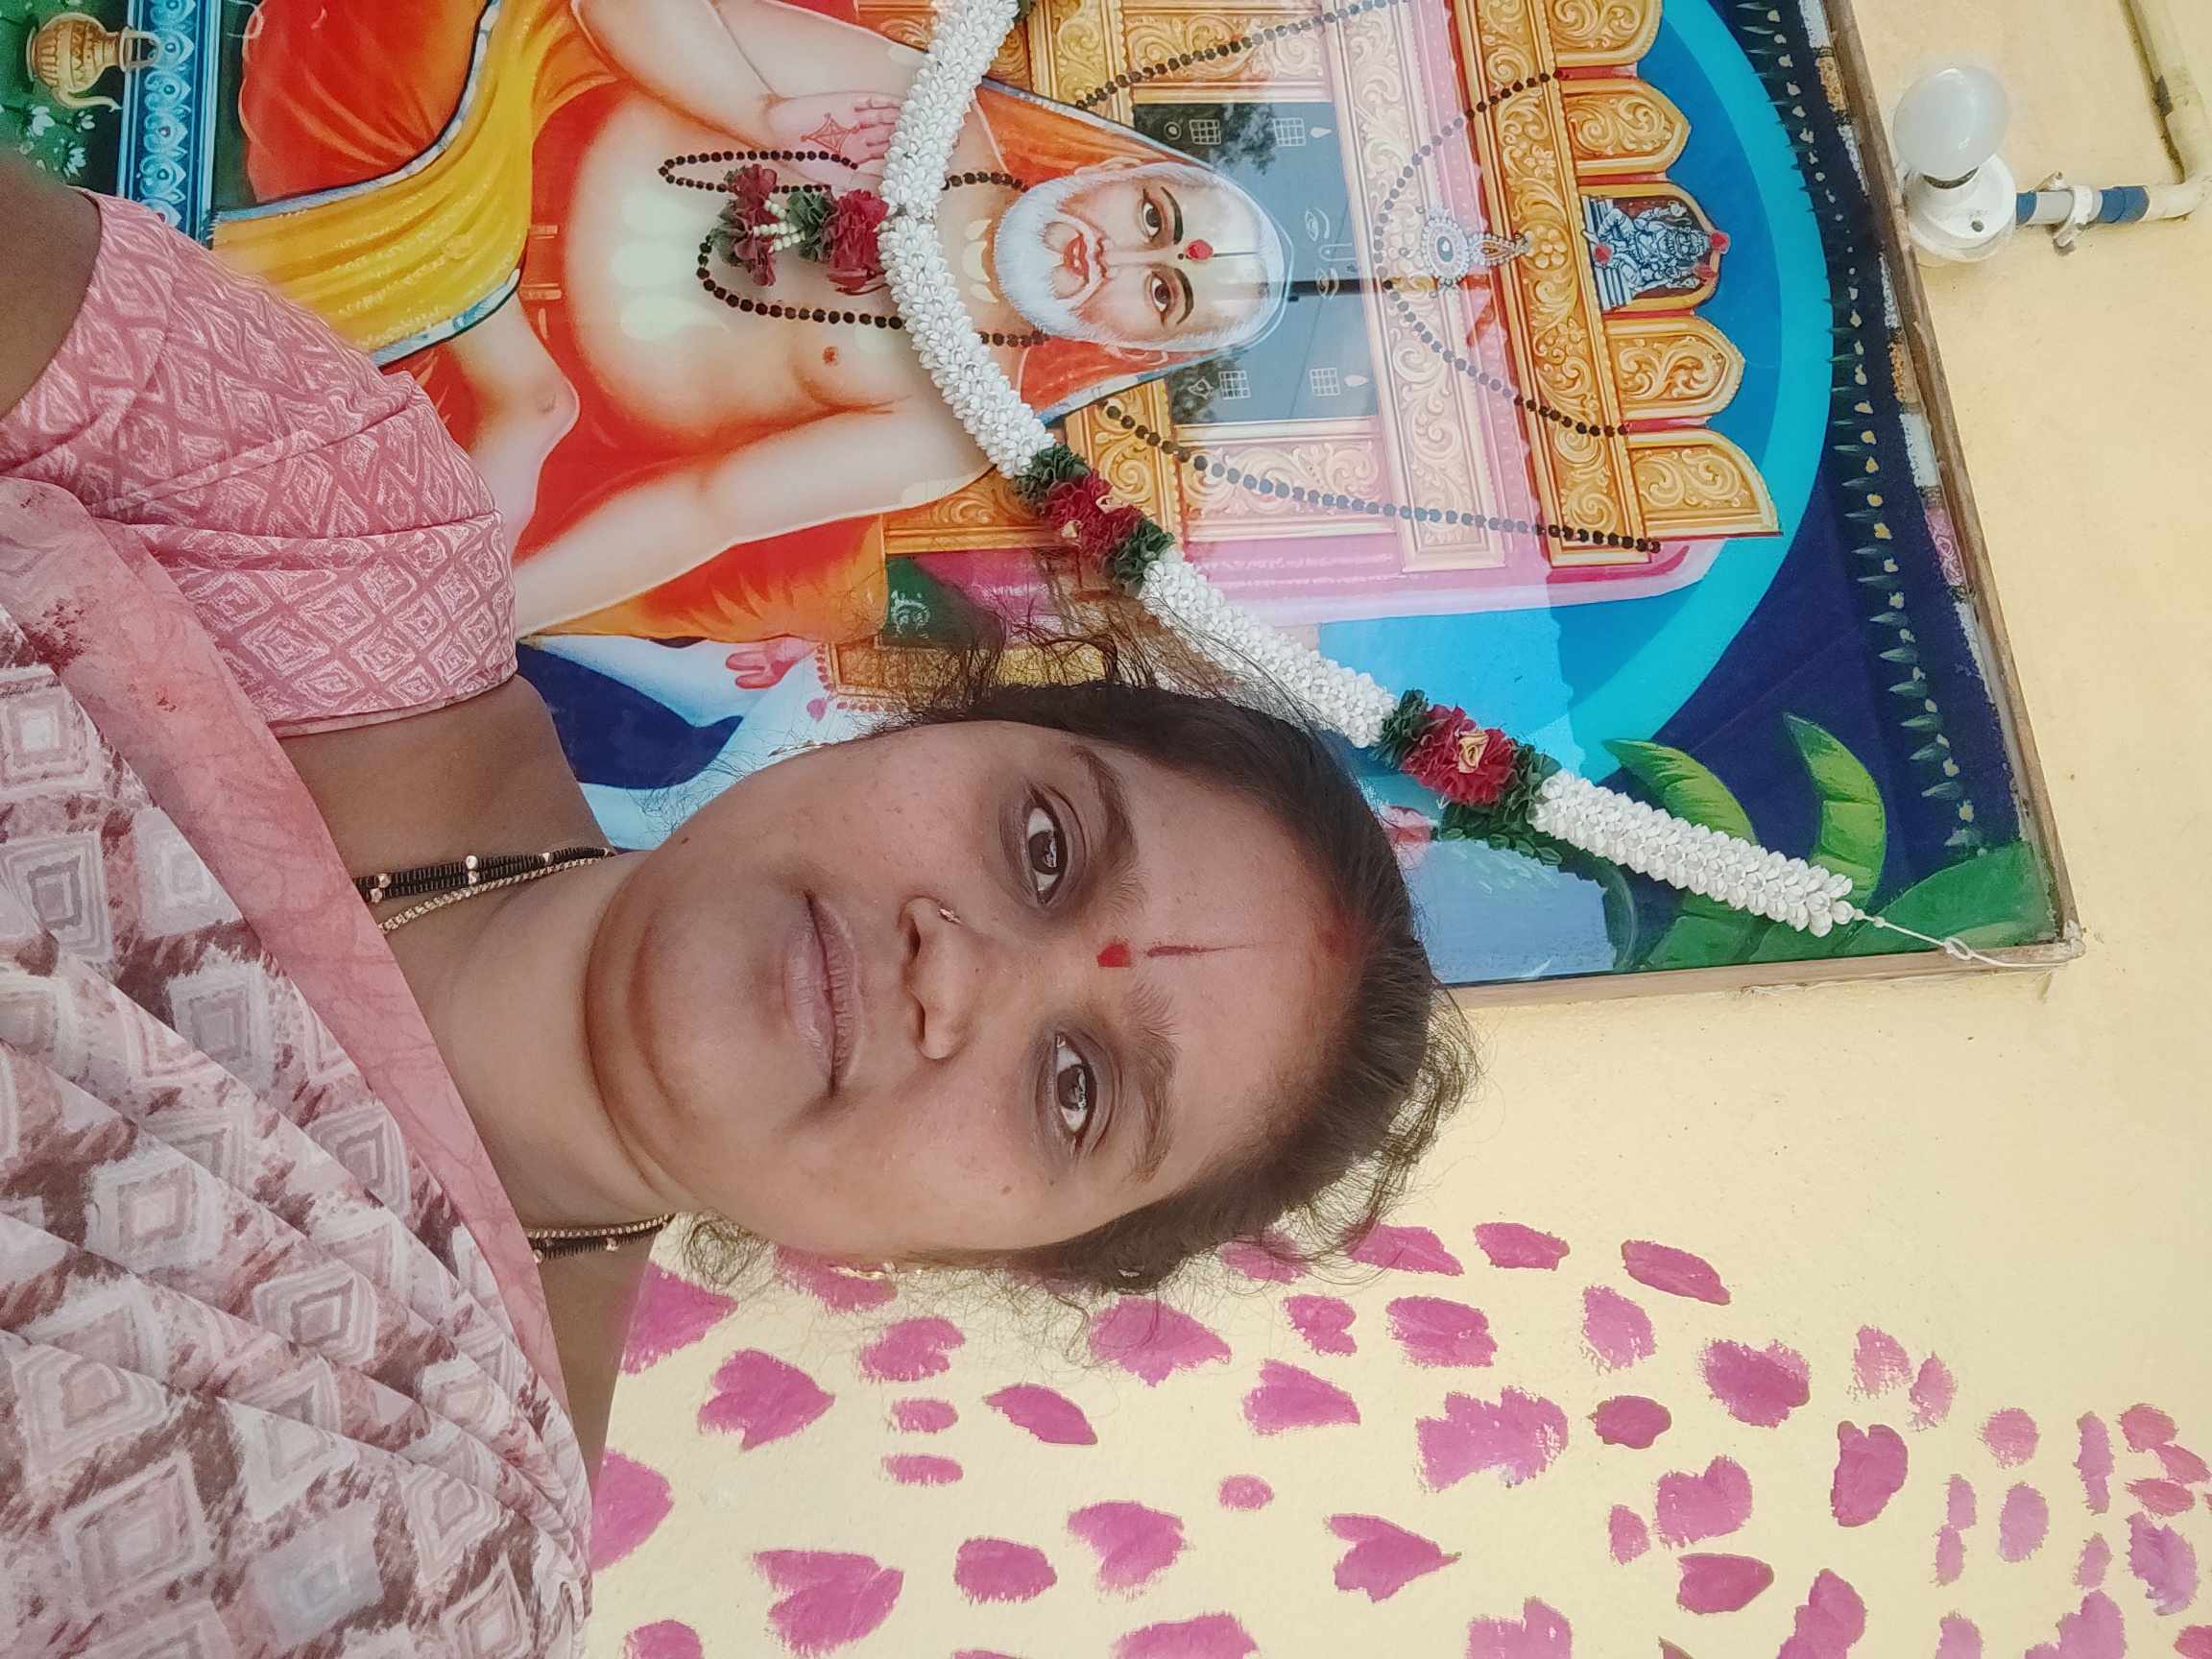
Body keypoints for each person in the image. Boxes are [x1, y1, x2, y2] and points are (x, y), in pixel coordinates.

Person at [0, 156, 1464, 1652]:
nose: (954, 976)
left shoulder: (421, 1551)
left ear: (970, 1258)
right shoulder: (330, 527)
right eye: (1043, 846)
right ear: (917, 725)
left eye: (1076, 1089)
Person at [216, 0, 1292, 643]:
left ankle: (492, 369)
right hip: (480, 131)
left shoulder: (952, 422)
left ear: (1134, 346)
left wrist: (485, 614)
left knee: (384, 553)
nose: (1119, 255)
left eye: (1162, 292)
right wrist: (758, 110)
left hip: (489, 388)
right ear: (1121, 171)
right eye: (1154, 217)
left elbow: (709, 507)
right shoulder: (930, 113)